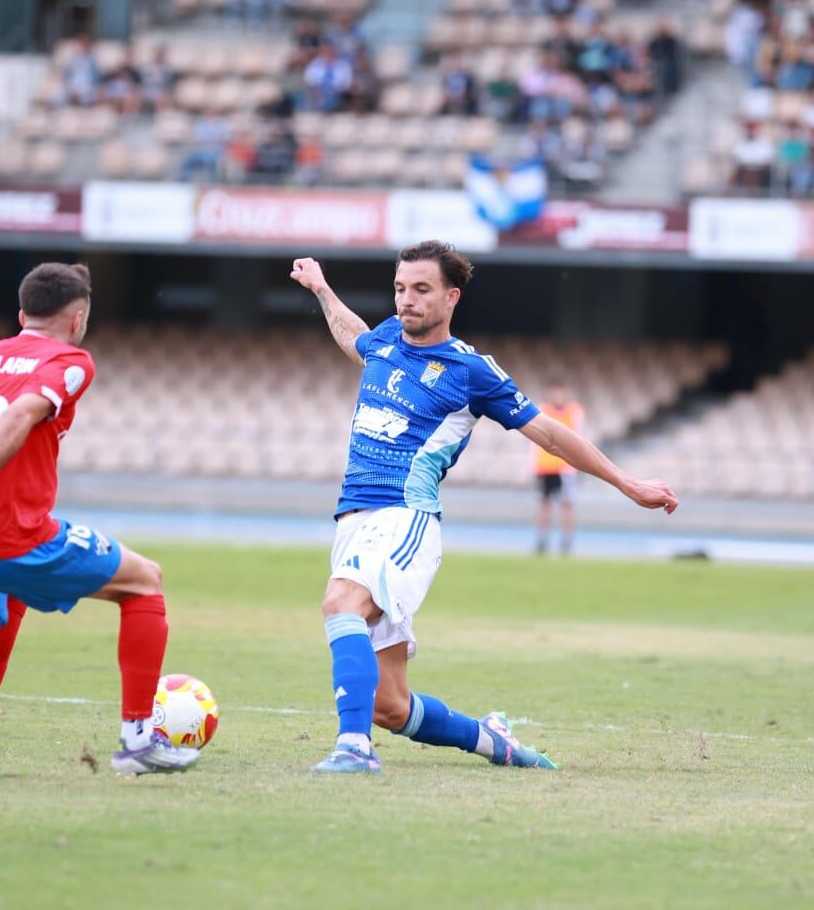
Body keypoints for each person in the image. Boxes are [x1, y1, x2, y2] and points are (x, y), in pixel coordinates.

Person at [288, 240, 679, 775]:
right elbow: (352, 335)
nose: (407, 300)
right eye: (400, 288)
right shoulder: (384, 343)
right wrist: (322, 289)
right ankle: (497, 743)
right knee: (389, 706)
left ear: (451, 297)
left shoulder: (471, 370)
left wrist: (626, 482)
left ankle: (353, 749)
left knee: (341, 605)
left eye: (421, 289)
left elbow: (548, 432)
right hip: (354, 523)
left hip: (404, 517)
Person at [0, 263, 199, 778]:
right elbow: (18, 414)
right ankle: (137, 742)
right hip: (5, 533)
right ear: (78, 318)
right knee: (144, 581)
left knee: (7, 594)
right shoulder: (71, 359)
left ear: (22, 314)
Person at [532, 380, 585, 555]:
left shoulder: (574, 411)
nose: (557, 396)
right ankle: (542, 541)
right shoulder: (542, 410)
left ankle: (566, 542)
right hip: (545, 466)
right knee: (543, 504)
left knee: (567, 504)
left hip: (565, 466)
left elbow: (578, 436)